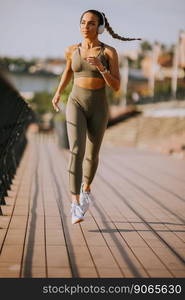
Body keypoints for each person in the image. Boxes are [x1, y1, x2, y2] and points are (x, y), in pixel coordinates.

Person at [52, 9, 142, 224]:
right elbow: (68, 72)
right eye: (83, 22)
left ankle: (86, 190)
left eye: (91, 23)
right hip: (75, 102)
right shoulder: (71, 50)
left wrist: (102, 68)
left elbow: (117, 86)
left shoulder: (109, 52)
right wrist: (57, 93)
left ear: (99, 28)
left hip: (99, 106)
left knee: (92, 155)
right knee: (76, 151)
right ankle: (74, 204)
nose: (85, 26)